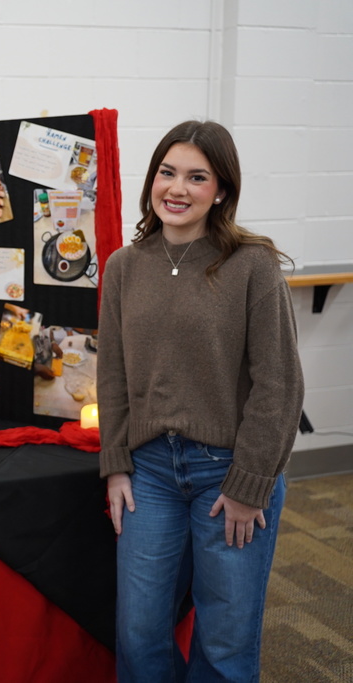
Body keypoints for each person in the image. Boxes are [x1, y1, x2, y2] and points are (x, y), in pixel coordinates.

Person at [97, 120, 304, 682]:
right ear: (152, 180)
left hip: (229, 474)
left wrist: (250, 484)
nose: (177, 189)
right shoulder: (124, 266)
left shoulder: (252, 264)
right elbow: (112, 375)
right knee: (139, 632)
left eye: (197, 176)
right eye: (167, 173)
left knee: (225, 640)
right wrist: (115, 466)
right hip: (151, 475)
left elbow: (279, 385)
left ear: (222, 191)